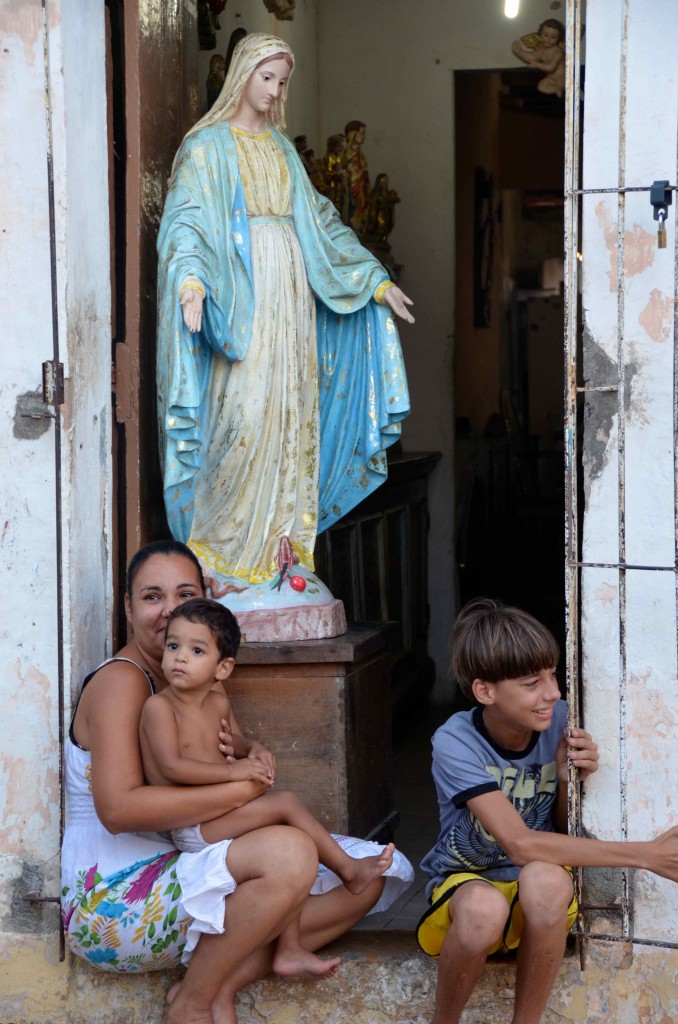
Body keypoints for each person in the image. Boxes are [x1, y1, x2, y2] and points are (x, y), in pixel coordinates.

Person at [61, 540, 413, 1024]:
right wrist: (242, 786)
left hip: (181, 862)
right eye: (150, 596)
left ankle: (218, 980)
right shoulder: (123, 682)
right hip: (116, 898)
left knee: (368, 878)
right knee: (291, 854)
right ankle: (194, 1004)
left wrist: (255, 752)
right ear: (127, 606)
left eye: (183, 594)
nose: (168, 611)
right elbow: (119, 811)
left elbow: (231, 746)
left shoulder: (192, 676)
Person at [157, 34, 413, 608]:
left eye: (281, 82)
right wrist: (191, 279)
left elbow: (320, 221)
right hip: (242, 302)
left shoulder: (280, 148)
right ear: (243, 76)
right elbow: (186, 222)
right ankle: (224, 558)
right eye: (266, 78)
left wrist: (374, 278)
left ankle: (280, 556)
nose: (273, 92)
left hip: (290, 301)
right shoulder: (207, 147)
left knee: (289, 415)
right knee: (241, 418)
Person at [418, 597, 678, 1024]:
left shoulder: (560, 721)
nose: (553, 692)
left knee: (547, 880)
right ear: (485, 691)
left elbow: (557, 833)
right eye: (531, 682)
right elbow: (519, 844)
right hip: (465, 888)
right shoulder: (455, 740)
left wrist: (565, 781)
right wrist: (646, 854)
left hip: (535, 901)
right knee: (485, 908)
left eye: (552, 674)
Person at [139, 596, 397, 980]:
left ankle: (289, 948)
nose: (179, 657)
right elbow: (172, 766)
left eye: (196, 650)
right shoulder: (160, 708)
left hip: (222, 815)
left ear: (222, 668)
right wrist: (234, 774)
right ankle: (346, 869)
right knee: (286, 803)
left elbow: (236, 742)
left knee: (293, 842)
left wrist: (254, 750)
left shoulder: (215, 701)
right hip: (192, 826)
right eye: (173, 646)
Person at [511, 19, 566, 98]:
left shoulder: (557, 52)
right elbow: (531, 57)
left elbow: (550, 67)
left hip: (562, 79)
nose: (549, 39)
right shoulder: (542, 50)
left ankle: (561, 92)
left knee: (576, 91)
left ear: (558, 38)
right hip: (550, 79)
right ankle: (557, 90)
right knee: (541, 86)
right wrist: (519, 52)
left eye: (553, 37)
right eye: (546, 35)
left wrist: (536, 64)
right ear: (540, 34)